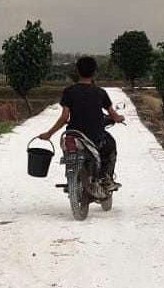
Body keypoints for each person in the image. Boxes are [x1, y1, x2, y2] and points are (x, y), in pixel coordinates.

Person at [38, 56, 124, 190]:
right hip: (95, 137)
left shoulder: (69, 92)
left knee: (69, 151)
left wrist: (49, 133)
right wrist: (119, 118)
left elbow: (64, 117)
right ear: (95, 72)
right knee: (110, 145)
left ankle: (73, 178)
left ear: (77, 71)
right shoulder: (100, 93)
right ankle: (106, 178)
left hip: (74, 135)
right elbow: (113, 114)